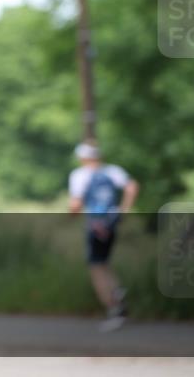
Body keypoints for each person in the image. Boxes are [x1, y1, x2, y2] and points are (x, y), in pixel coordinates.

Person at [67, 140, 139, 332]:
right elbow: (132, 187)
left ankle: (113, 306)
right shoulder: (113, 171)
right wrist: (123, 210)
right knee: (104, 262)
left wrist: (70, 216)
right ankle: (117, 294)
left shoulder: (80, 175)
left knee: (96, 266)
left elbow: (75, 205)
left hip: (95, 224)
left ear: (83, 157)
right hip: (112, 222)